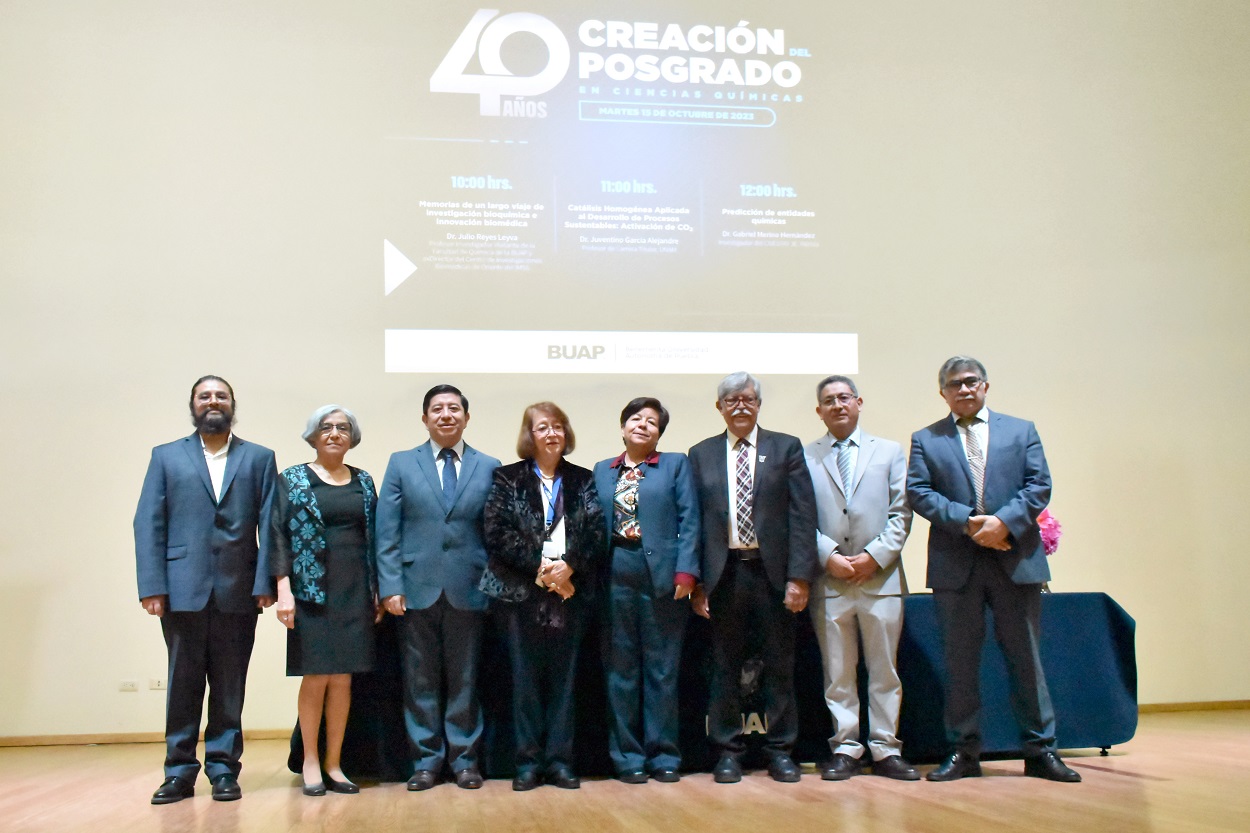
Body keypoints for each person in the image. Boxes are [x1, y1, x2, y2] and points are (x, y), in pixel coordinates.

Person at [907, 356, 1081, 783]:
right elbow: (919, 492)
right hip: (956, 567)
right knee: (961, 664)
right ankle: (964, 752)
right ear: (942, 392)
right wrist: (970, 523)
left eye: (971, 382)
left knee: (1027, 661)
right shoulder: (926, 439)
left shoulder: (1021, 430)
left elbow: (1038, 485)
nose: (963, 390)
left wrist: (1002, 523)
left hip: (1015, 561)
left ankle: (1040, 752)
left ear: (986, 386)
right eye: (954, 384)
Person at [134, 376, 278, 804]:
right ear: (193, 405)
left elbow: (269, 525)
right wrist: (152, 586)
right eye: (205, 396)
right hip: (181, 589)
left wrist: (264, 582)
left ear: (233, 404)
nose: (213, 402)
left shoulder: (259, 457)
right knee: (183, 684)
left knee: (230, 685)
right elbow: (148, 524)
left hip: (239, 589)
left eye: (221, 396)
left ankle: (223, 770)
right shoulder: (166, 456)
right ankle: (178, 773)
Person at [687, 372, 818, 783]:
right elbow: (696, 524)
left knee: (779, 665)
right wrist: (698, 583)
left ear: (758, 405)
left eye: (747, 399)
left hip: (773, 574)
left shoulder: (786, 447)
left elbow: (802, 515)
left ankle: (781, 751)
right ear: (719, 407)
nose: (740, 405)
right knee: (724, 667)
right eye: (731, 399)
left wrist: (800, 577)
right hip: (724, 574)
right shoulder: (701, 453)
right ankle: (727, 751)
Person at [376, 385, 501, 791]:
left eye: (453, 409)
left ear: (467, 416)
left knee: (465, 681)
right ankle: (426, 762)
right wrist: (390, 585)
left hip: (470, 588)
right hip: (415, 588)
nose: (446, 415)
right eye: (437, 409)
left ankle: (465, 761)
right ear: (425, 417)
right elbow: (387, 531)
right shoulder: (401, 463)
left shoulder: (489, 465)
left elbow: (495, 533)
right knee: (419, 681)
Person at [481, 402, 607, 791]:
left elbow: (597, 531)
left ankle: (560, 762)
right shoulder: (506, 478)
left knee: (565, 683)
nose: (551, 433)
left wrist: (568, 566)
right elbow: (497, 532)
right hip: (520, 596)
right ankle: (527, 764)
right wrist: (543, 571)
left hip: (571, 594)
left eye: (557, 426)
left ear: (566, 434)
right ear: (529, 436)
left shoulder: (583, 479)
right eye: (542, 428)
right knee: (524, 683)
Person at [805, 376, 916, 781]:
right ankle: (847, 747)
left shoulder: (888, 451)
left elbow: (901, 513)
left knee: (884, 670)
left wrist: (874, 557)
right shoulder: (805, 456)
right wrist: (828, 556)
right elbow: (801, 517)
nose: (837, 405)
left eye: (844, 398)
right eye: (828, 401)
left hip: (880, 579)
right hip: (830, 581)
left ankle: (886, 748)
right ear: (819, 411)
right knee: (838, 672)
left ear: (859, 402)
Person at [592, 397, 701, 784]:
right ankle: (627, 758)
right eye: (635, 419)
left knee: (662, 670)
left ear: (660, 432)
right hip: (614, 572)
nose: (642, 425)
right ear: (623, 428)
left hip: (662, 575)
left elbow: (690, 519)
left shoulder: (674, 465)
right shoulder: (602, 470)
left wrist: (687, 571)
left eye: (651, 421)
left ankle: (663, 755)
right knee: (621, 672)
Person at [271, 405, 379, 796]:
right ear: (313, 436)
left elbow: (375, 537)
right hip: (310, 592)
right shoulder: (292, 479)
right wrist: (283, 590)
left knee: (343, 678)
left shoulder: (365, 481)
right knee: (316, 675)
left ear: (353, 437)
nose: (335, 433)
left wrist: (378, 591)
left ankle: (334, 762)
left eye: (343, 427)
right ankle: (310, 760)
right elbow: (277, 536)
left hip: (356, 590)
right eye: (327, 427)